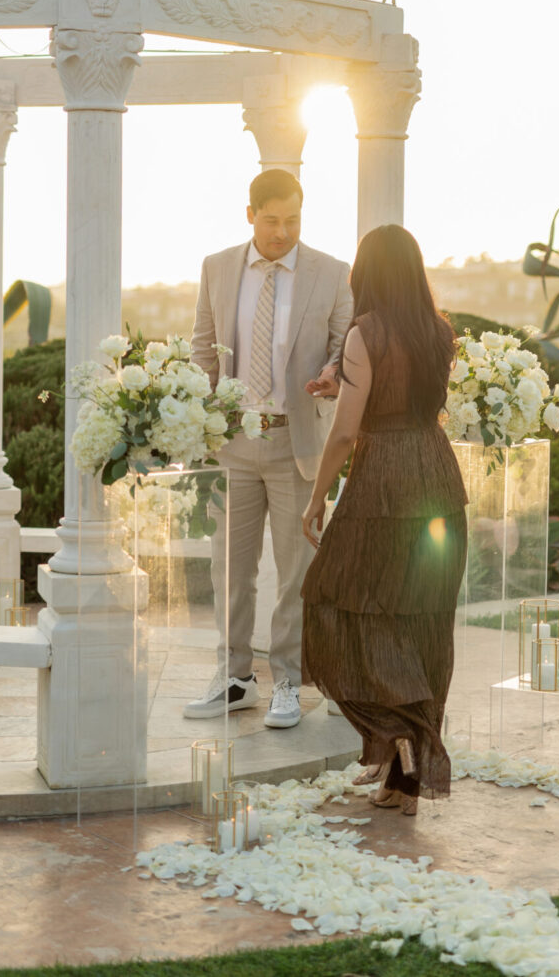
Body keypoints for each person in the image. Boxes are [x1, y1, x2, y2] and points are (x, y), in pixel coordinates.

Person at [300, 224, 467, 814]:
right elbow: (403, 400)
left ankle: (399, 759)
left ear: (365, 273)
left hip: (383, 485)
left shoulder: (364, 332)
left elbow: (348, 430)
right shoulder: (439, 330)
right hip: (437, 479)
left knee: (338, 602)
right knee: (420, 624)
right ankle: (404, 776)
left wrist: (317, 496)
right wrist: (337, 386)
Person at [186, 169, 352, 729]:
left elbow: (342, 349)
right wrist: (193, 421)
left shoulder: (331, 273)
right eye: (273, 219)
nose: (283, 232)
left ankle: (287, 681)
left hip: (295, 442)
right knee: (229, 569)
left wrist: (333, 373)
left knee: (294, 571)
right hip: (232, 442)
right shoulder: (216, 268)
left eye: (294, 220)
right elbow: (203, 353)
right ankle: (234, 679)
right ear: (250, 213)